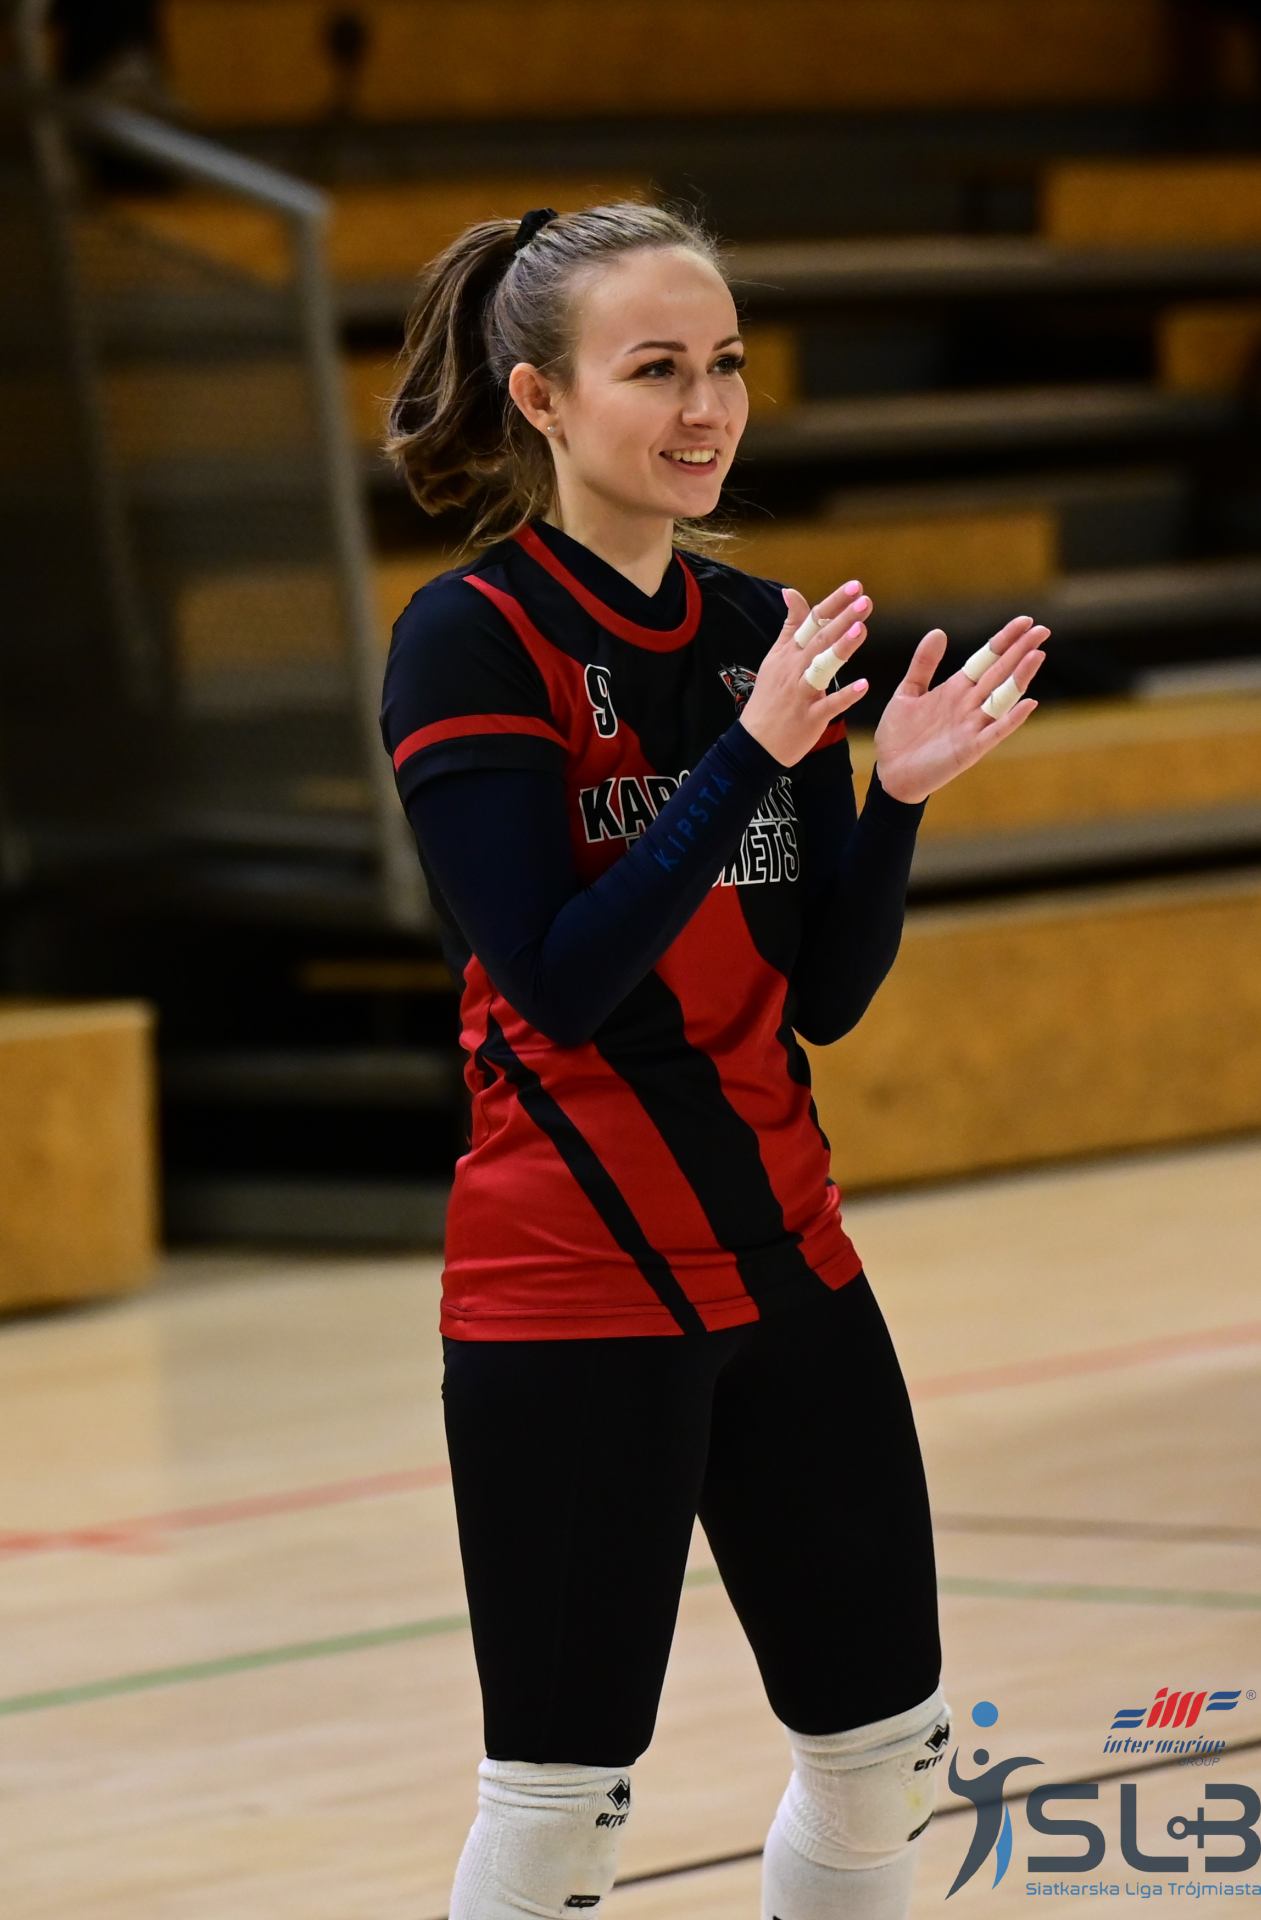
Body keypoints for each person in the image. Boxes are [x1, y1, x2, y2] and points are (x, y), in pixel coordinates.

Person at [379, 201, 1047, 1920]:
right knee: (561, 1807)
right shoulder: (470, 638)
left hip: (790, 1265)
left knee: (883, 1754)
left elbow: (821, 994)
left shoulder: (762, 628)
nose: (705, 408)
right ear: (538, 398)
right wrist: (747, 756)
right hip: (571, 1286)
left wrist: (889, 800)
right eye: (656, 368)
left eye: (727, 363)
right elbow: (557, 983)